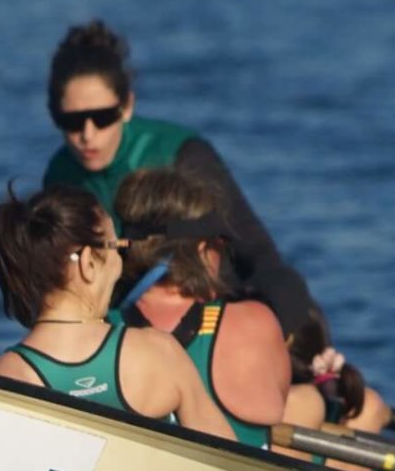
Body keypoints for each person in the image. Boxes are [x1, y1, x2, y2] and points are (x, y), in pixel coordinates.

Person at [40, 21, 327, 346]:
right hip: (124, 333)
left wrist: (278, 339)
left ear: (127, 106)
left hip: (214, 322)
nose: (87, 134)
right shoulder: (58, 177)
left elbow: (259, 257)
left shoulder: (183, 155)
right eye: (71, 121)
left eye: (103, 117)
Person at [0, 186, 236, 440]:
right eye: (116, 247)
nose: (120, 263)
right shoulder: (158, 354)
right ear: (88, 262)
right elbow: (227, 460)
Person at [113, 167, 304, 451]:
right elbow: (280, 400)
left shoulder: (100, 325)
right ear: (202, 249)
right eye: (220, 244)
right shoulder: (254, 323)